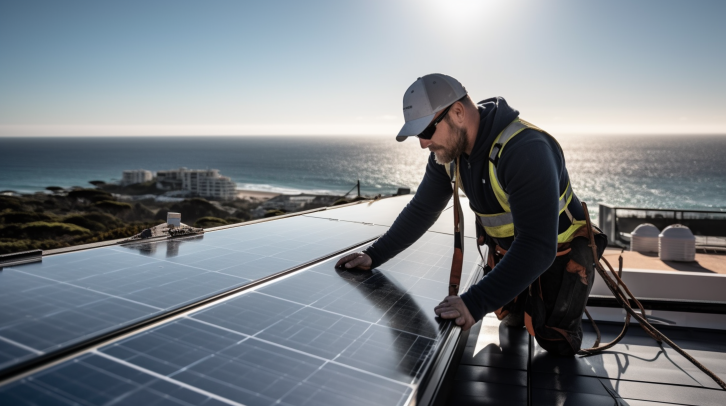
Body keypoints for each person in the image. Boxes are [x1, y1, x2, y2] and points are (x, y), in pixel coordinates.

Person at [336, 73, 606, 356]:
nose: (423, 144)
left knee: (557, 345)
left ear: (458, 112)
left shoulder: (526, 151)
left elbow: (538, 245)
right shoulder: (449, 157)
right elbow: (422, 210)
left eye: (427, 132)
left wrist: (474, 303)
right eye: (418, 135)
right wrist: (374, 255)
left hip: (559, 256)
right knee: (511, 323)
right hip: (510, 254)